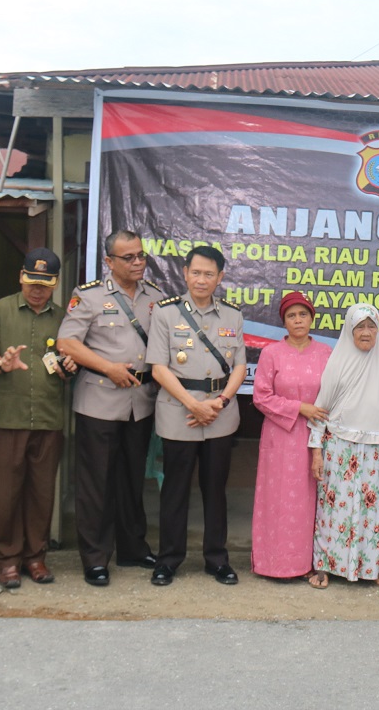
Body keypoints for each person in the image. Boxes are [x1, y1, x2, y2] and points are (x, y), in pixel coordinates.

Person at [57, 230, 164, 587]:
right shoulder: (88, 297)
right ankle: (96, 558)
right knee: (96, 484)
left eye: (140, 256)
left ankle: (133, 547)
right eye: (128, 258)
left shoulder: (156, 298)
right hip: (99, 399)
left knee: (132, 480)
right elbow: (67, 343)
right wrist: (107, 367)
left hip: (140, 403)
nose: (137, 263)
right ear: (109, 262)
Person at [145, 245, 246, 587]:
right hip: (179, 413)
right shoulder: (165, 313)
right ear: (185, 273)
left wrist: (221, 401)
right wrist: (193, 404)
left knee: (215, 490)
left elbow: (240, 366)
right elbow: (158, 368)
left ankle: (217, 559)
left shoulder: (233, 315)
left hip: (220, 413)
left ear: (220, 277)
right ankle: (168, 560)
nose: (202, 279)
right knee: (174, 490)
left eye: (209, 274)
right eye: (196, 272)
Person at [0, 248, 77, 589]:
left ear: (54, 283)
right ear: (21, 277)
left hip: (48, 419)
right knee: (6, 495)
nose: (37, 290)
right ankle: (7, 559)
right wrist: (1, 364)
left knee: (41, 494)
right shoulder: (0, 311)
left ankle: (35, 557)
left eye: (44, 284)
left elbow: (69, 362)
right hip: (6, 418)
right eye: (31, 282)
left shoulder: (64, 317)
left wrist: (69, 368)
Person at [306, 303, 379, 588]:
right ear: (349, 330)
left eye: (371, 326)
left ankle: (369, 567)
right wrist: (316, 452)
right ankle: (325, 566)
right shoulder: (337, 363)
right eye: (359, 327)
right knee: (333, 509)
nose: (366, 332)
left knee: (371, 510)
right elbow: (320, 411)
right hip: (338, 447)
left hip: (374, 450)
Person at [250, 292, 332, 579]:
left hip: (316, 437)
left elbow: (334, 395)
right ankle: (274, 563)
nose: (298, 320)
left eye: (303, 314)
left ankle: (308, 562)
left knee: (311, 500)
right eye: (291, 316)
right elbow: (261, 397)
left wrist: (317, 414)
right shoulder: (271, 353)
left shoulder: (326, 353)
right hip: (280, 436)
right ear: (283, 321)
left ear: (312, 318)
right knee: (278, 500)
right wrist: (300, 407)